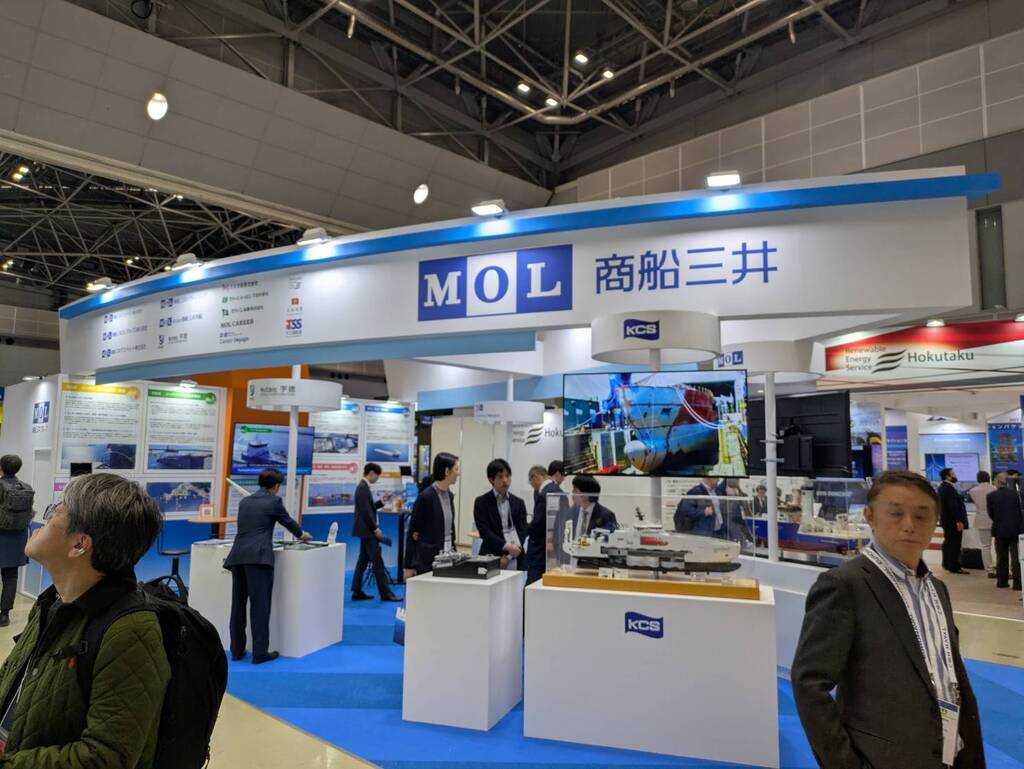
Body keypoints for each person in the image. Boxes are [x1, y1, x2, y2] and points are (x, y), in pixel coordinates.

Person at [792, 471, 985, 769]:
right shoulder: (845, 585)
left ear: (935, 521)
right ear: (870, 517)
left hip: (950, 754)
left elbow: (948, 671)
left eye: (921, 516)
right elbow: (810, 684)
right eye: (895, 513)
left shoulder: (936, 589)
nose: (909, 525)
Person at [0, 473, 170, 765]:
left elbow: (105, 756)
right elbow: (14, 676)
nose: (43, 519)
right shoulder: (53, 602)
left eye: (56, 510)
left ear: (79, 544)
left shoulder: (130, 631)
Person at [223, 468, 311, 664]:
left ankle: (236, 650)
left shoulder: (245, 502)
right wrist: (302, 534)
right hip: (259, 558)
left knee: (238, 606)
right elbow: (287, 522)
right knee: (260, 606)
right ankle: (260, 652)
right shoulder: (274, 501)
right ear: (276, 486)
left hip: (238, 557)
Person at [351, 463, 401, 603]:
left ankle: (356, 590)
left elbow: (369, 508)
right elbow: (366, 512)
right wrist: (375, 529)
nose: (377, 479)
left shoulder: (363, 487)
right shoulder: (362, 488)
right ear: (371, 473)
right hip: (368, 531)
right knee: (377, 562)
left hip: (365, 530)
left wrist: (382, 501)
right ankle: (386, 594)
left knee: (363, 561)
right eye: (377, 476)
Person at [404, 452, 459, 576]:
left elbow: (450, 529)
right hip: (428, 560)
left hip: (448, 557)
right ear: (447, 471)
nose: (458, 473)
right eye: (456, 469)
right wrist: (408, 565)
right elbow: (413, 531)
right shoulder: (426, 497)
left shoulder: (449, 496)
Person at [473, 459, 528, 570]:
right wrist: (506, 546)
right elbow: (485, 532)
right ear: (491, 479)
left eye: (507, 476)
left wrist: (509, 556)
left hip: (516, 556)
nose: (505, 480)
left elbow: (522, 530)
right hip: (491, 556)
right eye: (500, 477)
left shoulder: (519, 502)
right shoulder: (481, 502)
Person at [0, 455, 33, 627]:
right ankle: (4, 615)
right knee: (11, 577)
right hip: (17, 538)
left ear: (1, 467)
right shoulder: (26, 488)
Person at [526, 464, 567, 585]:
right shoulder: (561, 493)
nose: (531, 485)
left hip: (539, 551)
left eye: (530, 481)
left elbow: (537, 524)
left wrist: (524, 529)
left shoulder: (543, 494)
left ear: (536, 476)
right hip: (557, 551)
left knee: (532, 587)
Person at [986, 472, 1023, 591]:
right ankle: (1018, 583)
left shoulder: (991, 496)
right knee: (1016, 557)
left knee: (1001, 557)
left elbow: (991, 514)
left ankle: (1002, 581)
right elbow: (1019, 511)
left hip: (999, 530)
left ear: (997, 481)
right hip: (1014, 529)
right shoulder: (1015, 494)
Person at [938, 467, 969, 574]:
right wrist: (959, 520)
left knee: (948, 542)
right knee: (954, 543)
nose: (955, 475)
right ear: (948, 476)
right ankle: (954, 566)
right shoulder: (948, 488)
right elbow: (953, 506)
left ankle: (947, 563)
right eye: (953, 474)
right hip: (952, 521)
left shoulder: (943, 487)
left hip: (947, 521)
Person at [968, 470, 997, 578]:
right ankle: (1002, 567)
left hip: (981, 519)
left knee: (985, 546)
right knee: (1000, 545)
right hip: (995, 519)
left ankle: (989, 570)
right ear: (988, 477)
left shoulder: (973, 491)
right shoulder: (994, 488)